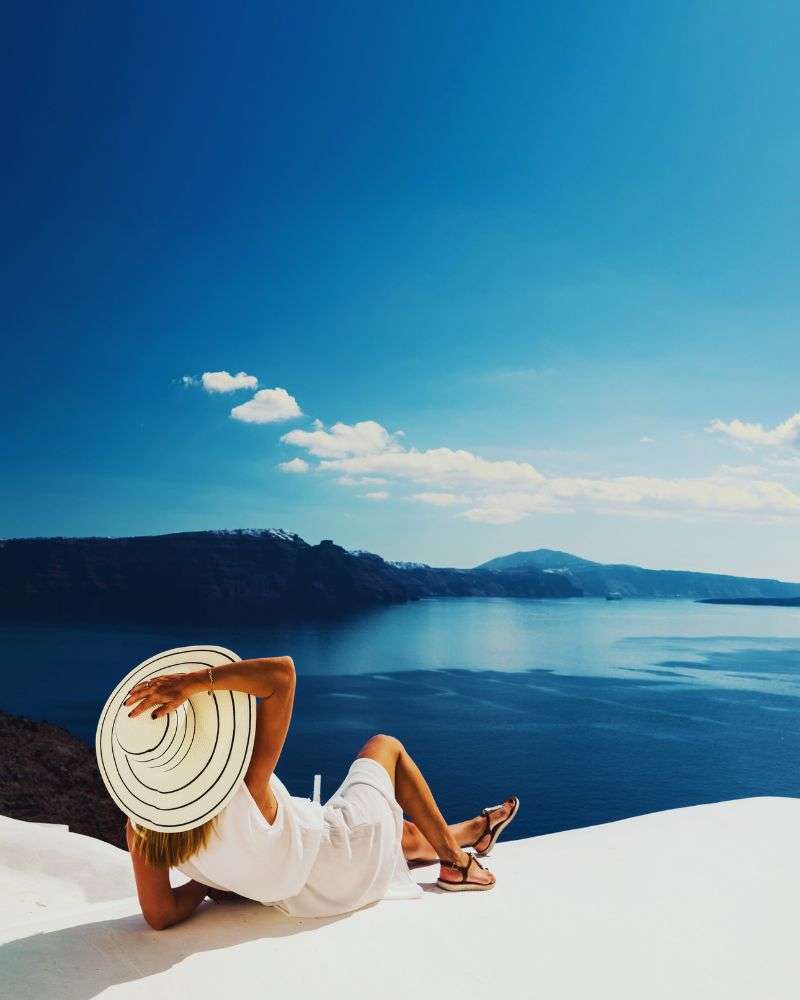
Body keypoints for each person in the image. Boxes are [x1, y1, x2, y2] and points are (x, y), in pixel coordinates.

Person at [120, 655, 520, 929]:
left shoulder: (143, 831)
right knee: (385, 746)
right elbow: (282, 676)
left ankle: (471, 832)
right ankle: (456, 863)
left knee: (403, 838)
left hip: (290, 894)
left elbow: (160, 915)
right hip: (335, 854)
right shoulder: (242, 790)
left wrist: (210, 882)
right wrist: (194, 683)